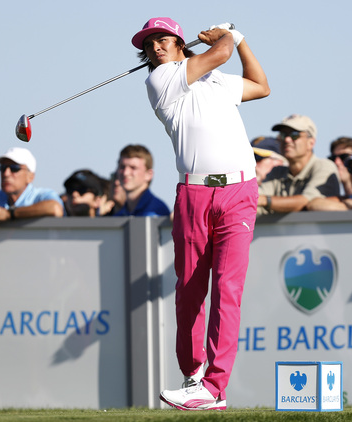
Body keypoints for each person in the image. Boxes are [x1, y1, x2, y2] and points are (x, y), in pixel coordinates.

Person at [131, 17, 270, 410]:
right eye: (149, 44)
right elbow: (220, 52)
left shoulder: (217, 81)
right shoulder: (160, 81)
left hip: (240, 191)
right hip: (193, 193)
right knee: (190, 289)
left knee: (228, 289)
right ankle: (193, 375)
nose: (156, 47)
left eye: (163, 39)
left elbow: (261, 86)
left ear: (179, 42)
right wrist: (226, 39)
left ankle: (214, 387)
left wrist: (240, 39)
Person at [257, 114, 340, 215]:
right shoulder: (277, 172)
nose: (287, 140)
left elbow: (306, 201)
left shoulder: (324, 166)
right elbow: (255, 203)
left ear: (311, 142)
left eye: (294, 135)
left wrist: (266, 201)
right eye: (282, 135)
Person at [114, 144, 169, 217]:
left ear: (149, 175)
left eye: (133, 168)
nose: (125, 173)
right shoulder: (118, 216)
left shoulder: (157, 211)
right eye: (122, 167)